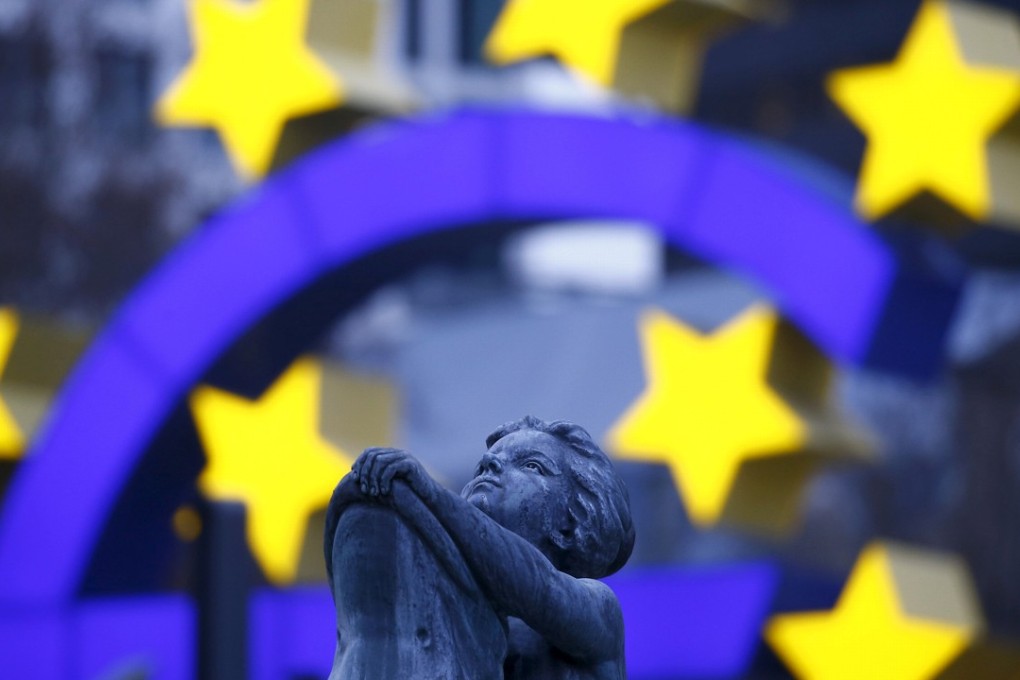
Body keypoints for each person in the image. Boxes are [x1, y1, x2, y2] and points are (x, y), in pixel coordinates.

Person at [324, 416, 635, 679]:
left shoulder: (601, 608)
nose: (491, 462)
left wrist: (430, 495)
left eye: (531, 465)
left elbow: (542, 585)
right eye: (484, 464)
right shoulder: (459, 600)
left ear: (570, 524)